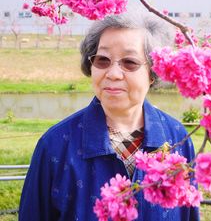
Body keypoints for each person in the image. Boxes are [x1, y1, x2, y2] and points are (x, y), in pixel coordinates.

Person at [19, 14, 199, 221]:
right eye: (102, 60)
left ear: (153, 73)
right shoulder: (55, 145)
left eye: (129, 62)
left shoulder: (177, 137)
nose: (113, 73)